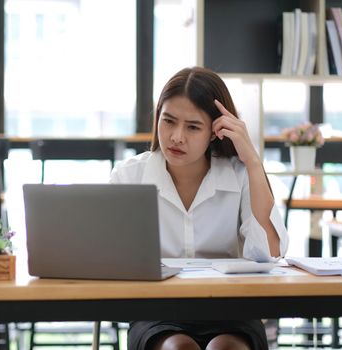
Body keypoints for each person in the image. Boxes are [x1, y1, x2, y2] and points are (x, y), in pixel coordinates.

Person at [110, 67, 289, 350]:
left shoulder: (240, 174)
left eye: (193, 127)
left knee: (226, 348)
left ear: (216, 131)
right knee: (178, 347)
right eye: (168, 121)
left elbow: (271, 252)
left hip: (230, 311)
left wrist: (253, 161)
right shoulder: (129, 176)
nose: (177, 137)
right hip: (156, 311)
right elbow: (111, 258)